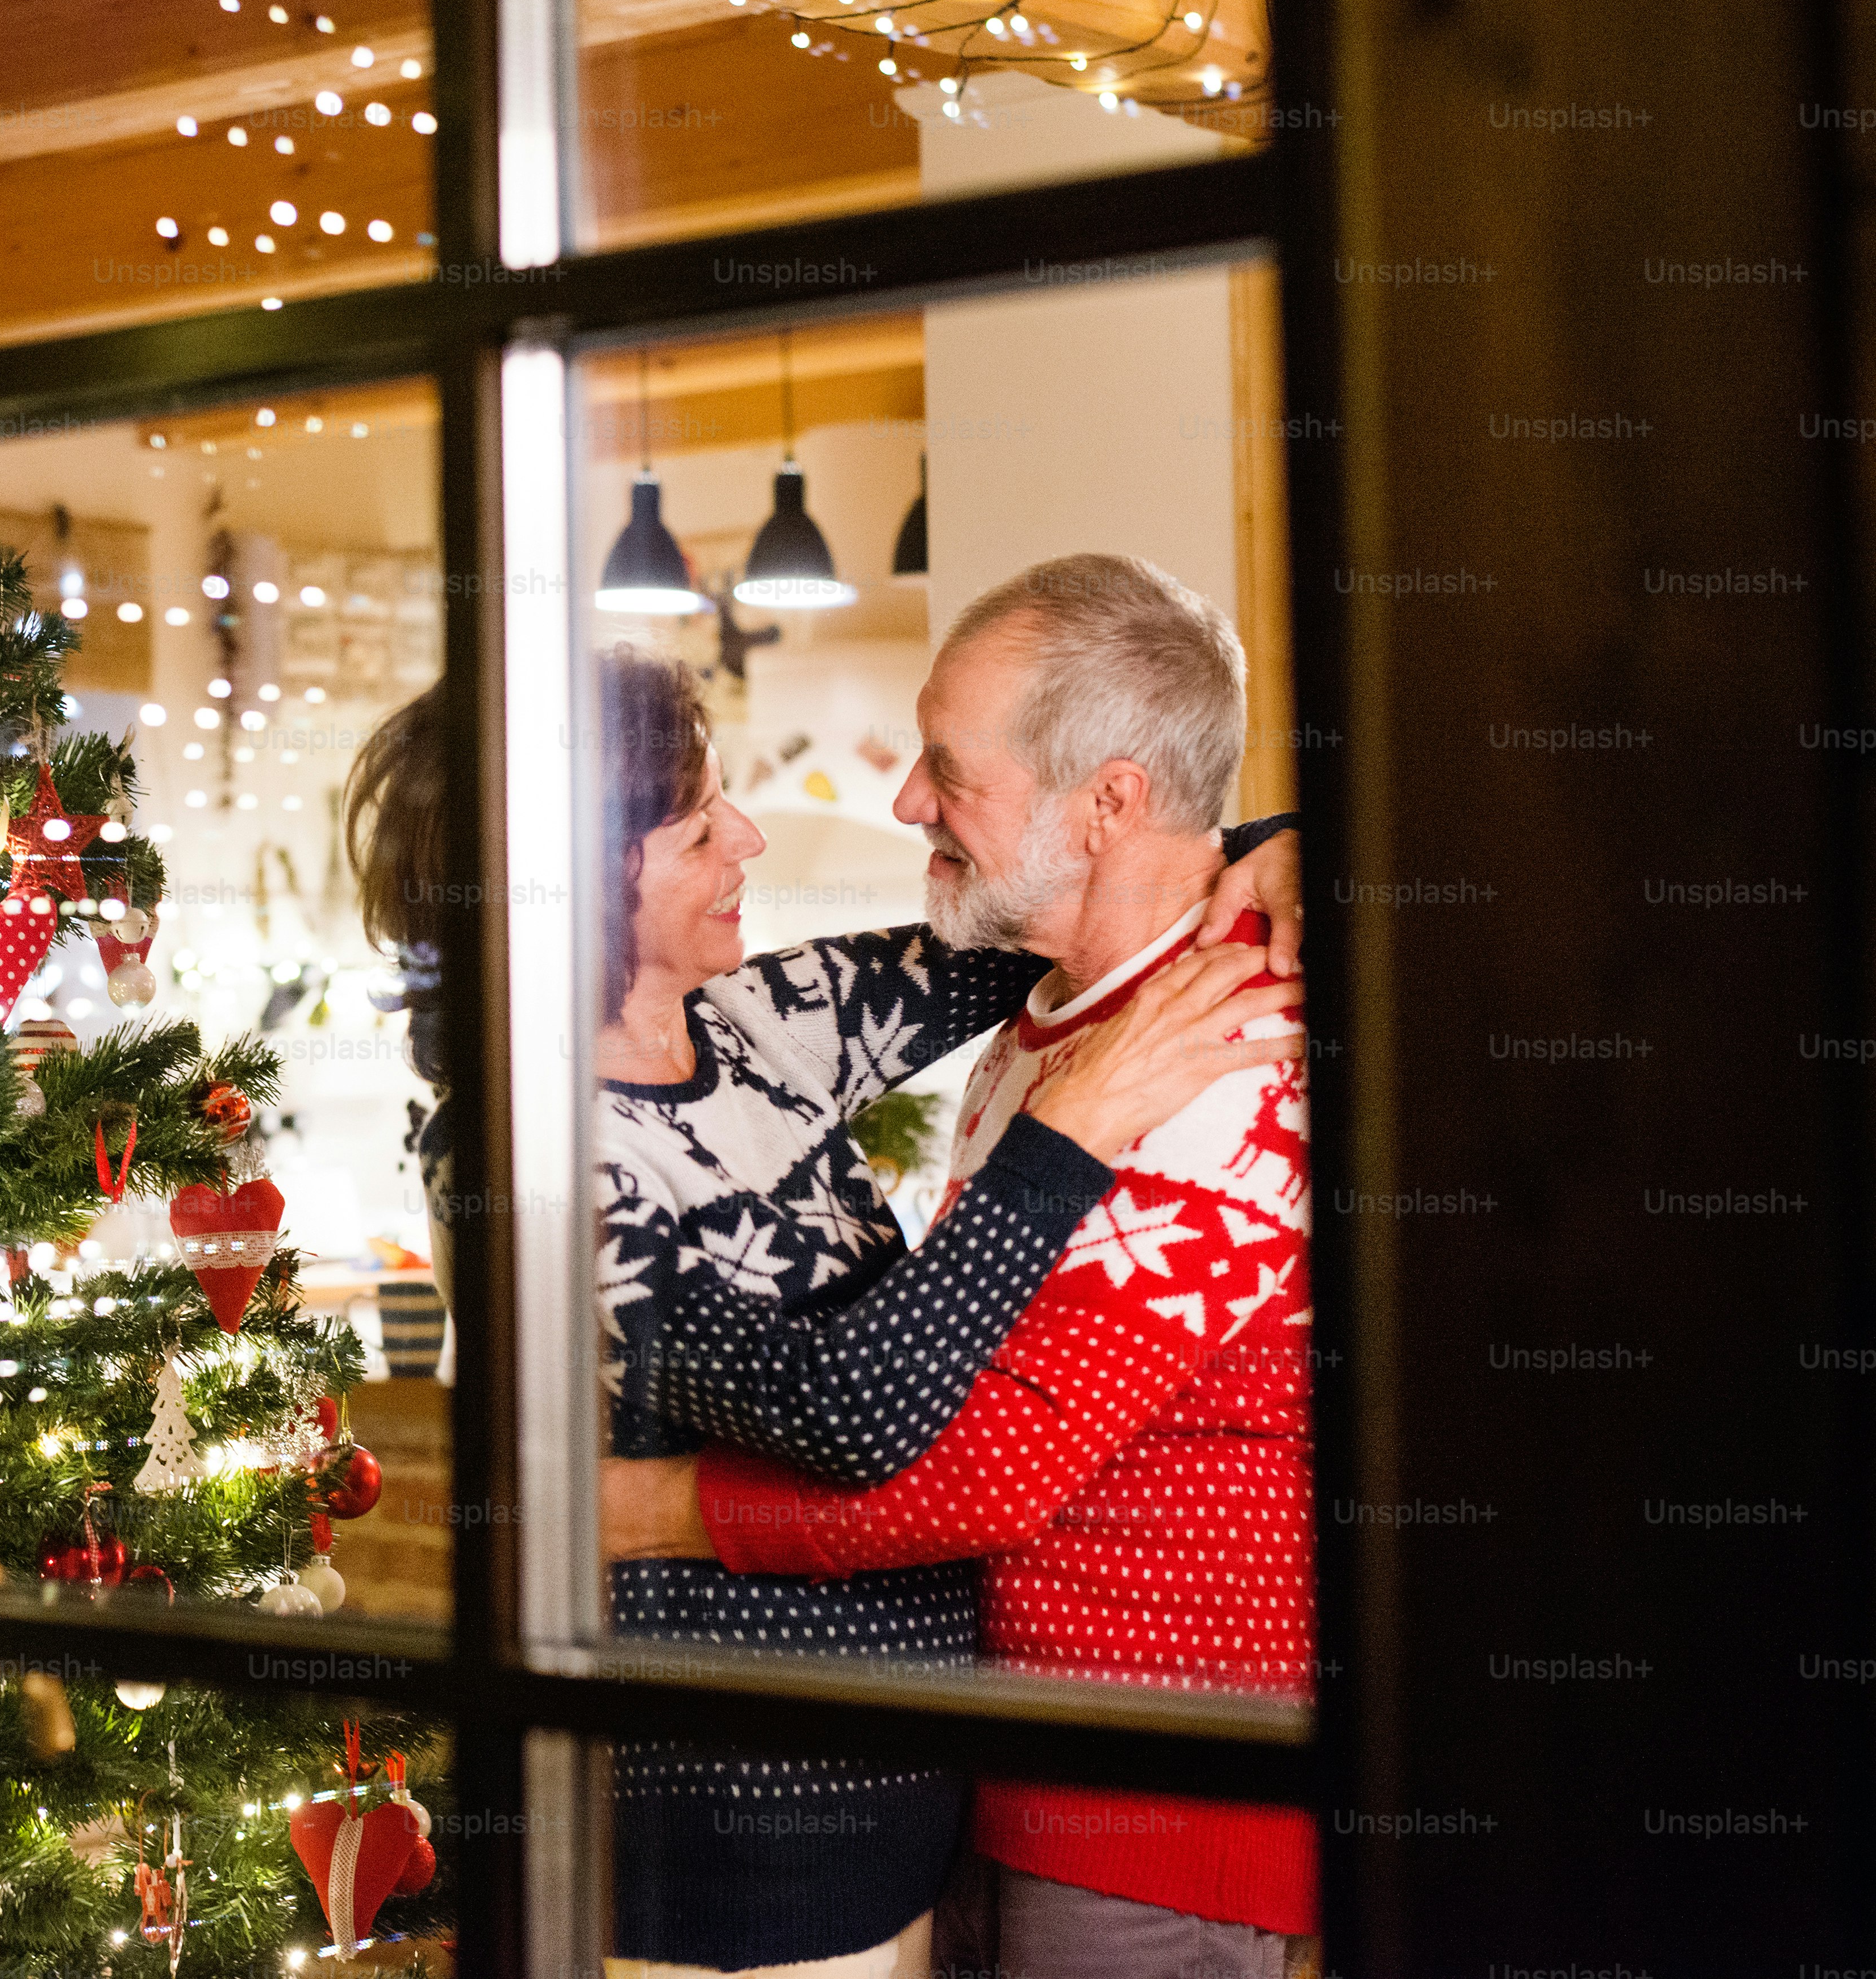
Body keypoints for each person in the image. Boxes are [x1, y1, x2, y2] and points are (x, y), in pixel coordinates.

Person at [344, 634, 1303, 1978]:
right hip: (728, 1862)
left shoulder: (757, 1026)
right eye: (694, 828)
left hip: (917, 1828)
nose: (745, 838)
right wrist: (1069, 1131)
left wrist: (1288, 845)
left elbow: (1080, 884)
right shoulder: (521, 1157)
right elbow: (850, 1412)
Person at [602, 554, 1319, 1978]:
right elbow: (933, 1369)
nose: (905, 801)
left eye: (946, 767)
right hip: (1007, 1782)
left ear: (1105, 801)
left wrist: (641, 1510)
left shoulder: (1228, 1062)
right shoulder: (1052, 1028)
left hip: (1150, 1809)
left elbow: (983, 1463)